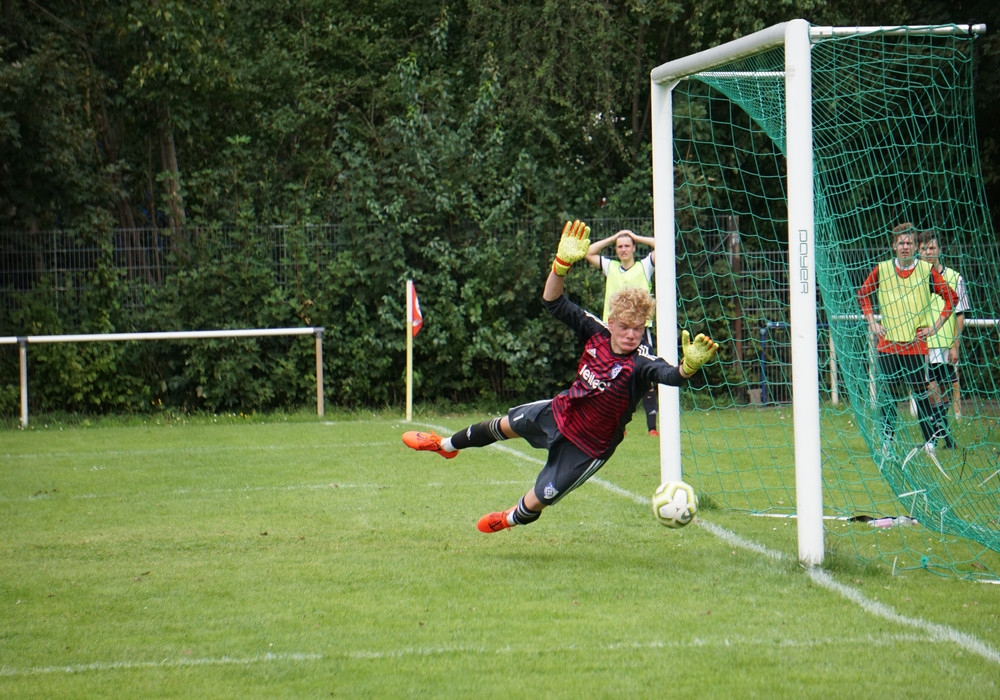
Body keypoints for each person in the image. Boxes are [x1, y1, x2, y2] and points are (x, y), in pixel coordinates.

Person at [401, 220, 719, 533]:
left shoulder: (641, 362)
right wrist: (561, 265)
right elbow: (552, 302)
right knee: (501, 425)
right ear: (611, 322)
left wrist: (688, 366)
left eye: (638, 328)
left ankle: (509, 518)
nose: (631, 335)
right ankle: (445, 445)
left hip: (589, 446)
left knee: (539, 500)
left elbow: (671, 376)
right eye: (624, 327)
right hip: (560, 412)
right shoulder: (595, 330)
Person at [857, 222, 958, 453]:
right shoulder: (882, 269)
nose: (905, 247)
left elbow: (951, 298)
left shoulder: (926, 271)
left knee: (921, 394)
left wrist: (935, 327)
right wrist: (872, 321)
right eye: (901, 243)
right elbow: (863, 294)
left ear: (915, 246)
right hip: (888, 345)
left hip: (915, 346)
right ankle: (886, 442)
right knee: (888, 396)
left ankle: (930, 442)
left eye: (909, 243)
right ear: (894, 246)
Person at [585, 229, 660, 436]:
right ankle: (618, 425)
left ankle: (652, 428)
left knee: (647, 375)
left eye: (627, 245)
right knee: (613, 377)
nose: (623, 249)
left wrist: (635, 236)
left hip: (639, 331)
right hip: (614, 331)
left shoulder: (644, 266)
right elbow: (588, 252)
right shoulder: (611, 267)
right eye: (620, 246)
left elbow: (663, 245)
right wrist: (613, 238)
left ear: (634, 248)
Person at [918, 230, 969, 448]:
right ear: (918, 252)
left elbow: (960, 315)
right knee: (930, 390)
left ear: (939, 250)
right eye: (924, 249)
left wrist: (955, 345)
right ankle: (942, 438)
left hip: (945, 345)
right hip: (922, 345)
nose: (928, 252)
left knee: (945, 391)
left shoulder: (955, 278)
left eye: (932, 248)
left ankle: (941, 436)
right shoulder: (915, 279)